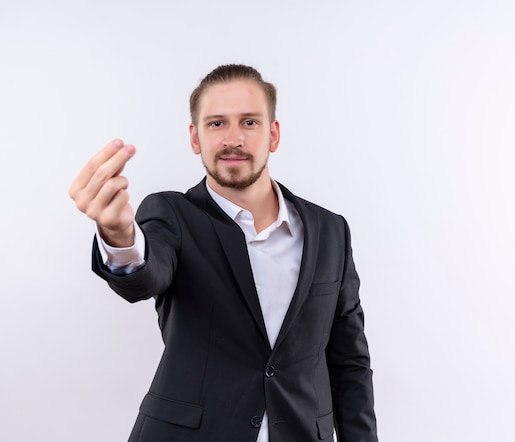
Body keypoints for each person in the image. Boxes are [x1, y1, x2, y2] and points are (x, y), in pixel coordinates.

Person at [69, 64, 377, 442]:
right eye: (216, 124)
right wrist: (118, 234)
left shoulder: (330, 231)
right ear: (195, 138)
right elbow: (147, 274)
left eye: (249, 123)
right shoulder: (172, 215)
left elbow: (349, 364)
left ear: (273, 134)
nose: (234, 139)